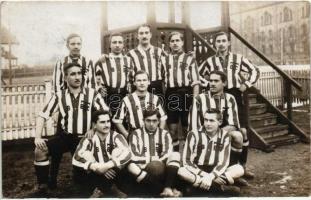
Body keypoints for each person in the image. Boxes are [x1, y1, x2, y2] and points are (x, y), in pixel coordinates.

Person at [33, 63, 108, 196]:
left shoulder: (92, 94)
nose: (77, 77)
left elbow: (105, 114)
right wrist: (38, 137)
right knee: (40, 150)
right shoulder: (59, 95)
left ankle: (94, 185)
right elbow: (42, 115)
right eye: (73, 74)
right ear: (65, 77)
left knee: (81, 180)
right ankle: (42, 185)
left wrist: (93, 128)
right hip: (65, 137)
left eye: (79, 73)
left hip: (85, 138)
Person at [199, 31, 259, 178]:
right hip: (218, 97)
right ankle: (225, 167)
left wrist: (246, 84)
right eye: (218, 41)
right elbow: (198, 74)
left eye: (223, 41)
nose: (221, 44)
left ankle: (242, 167)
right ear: (215, 44)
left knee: (243, 132)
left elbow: (255, 71)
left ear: (228, 43)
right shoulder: (210, 61)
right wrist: (209, 84)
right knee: (223, 131)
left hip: (236, 95)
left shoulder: (238, 58)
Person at [189, 71, 249, 186]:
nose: (212, 83)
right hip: (202, 137)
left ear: (224, 83)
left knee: (238, 135)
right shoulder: (200, 99)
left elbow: (233, 124)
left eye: (216, 81)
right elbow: (193, 126)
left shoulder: (230, 98)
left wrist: (216, 135)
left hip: (222, 134)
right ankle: (213, 176)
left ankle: (231, 170)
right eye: (210, 81)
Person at [178, 109, 244, 196]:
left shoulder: (225, 136)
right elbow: (187, 161)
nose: (208, 123)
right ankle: (219, 188)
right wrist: (206, 176)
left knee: (239, 169)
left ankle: (197, 187)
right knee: (181, 171)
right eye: (206, 120)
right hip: (197, 169)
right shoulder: (193, 134)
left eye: (211, 120)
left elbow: (223, 162)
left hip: (215, 169)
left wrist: (211, 176)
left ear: (219, 122)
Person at [72, 110, 131, 197]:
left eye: (108, 121)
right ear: (95, 124)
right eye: (102, 122)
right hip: (94, 174)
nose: (107, 125)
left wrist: (106, 166)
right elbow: (76, 158)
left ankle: (101, 190)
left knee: (118, 153)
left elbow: (128, 154)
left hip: (114, 173)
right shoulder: (88, 139)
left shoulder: (117, 136)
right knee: (86, 155)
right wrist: (96, 167)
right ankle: (109, 189)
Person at [127, 108, 182, 197]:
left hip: (160, 168)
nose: (151, 124)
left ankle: (167, 188)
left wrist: (153, 161)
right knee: (133, 166)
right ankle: (165, 190)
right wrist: (153, 160)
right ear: (143, 121)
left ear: (159, 121)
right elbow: (134, 156)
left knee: (175, 155)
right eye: (148, 120)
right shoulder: (135, 134)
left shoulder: (164, 134)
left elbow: (167, 153)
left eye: (154, 121)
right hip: (143, 170)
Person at [162, 31, 200, 151]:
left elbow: (195, 81)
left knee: (187, 126)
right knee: (172, 128)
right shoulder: (164, 60)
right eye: (172, 41)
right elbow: (162, 78)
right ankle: (176, 156)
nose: (175, 43)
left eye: (177, 40)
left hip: (186, 93)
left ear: (182, 42)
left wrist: (195, 99)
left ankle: (190, 156)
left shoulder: (190, 59)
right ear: (169, 43)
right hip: (171, 94)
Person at [113, 70, 167, 139]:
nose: (142, 83)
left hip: (153, 135)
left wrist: (159, 134)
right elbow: (117, 120)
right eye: (139, 80)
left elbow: (163, 117)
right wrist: (127, 135)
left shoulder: (155, 98)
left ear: (149, 82)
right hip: (135, 136)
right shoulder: (126, 100)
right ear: (134, 83)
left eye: (144, 80)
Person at [95, 32, 134, 115]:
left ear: (123, 44)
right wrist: (99, 88)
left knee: (123, 120)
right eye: (114, 42)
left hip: (124, 95)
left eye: (120, 42)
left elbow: (132, 78)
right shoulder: (102, 60)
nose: (117, 45)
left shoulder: (129, 60)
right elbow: (95, 79)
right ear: (110, 44)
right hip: (108, 96)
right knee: (108, 120)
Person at [127, 24, 166, 96]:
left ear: (150, 34)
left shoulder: (160, 52)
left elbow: (166, 72)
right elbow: (128, 76)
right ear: (137, 36)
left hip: (157, 88)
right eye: (141, 33)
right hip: (139, 89)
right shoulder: (130, 54)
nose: (144, 36)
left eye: (146, 33)